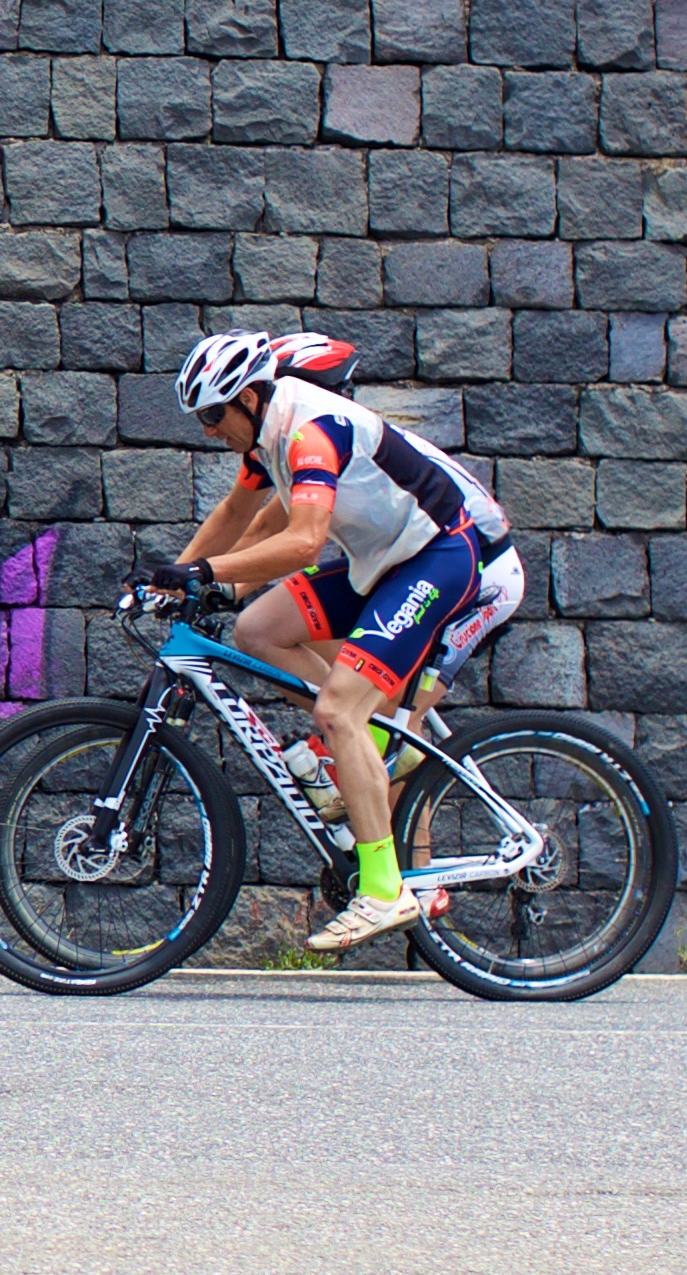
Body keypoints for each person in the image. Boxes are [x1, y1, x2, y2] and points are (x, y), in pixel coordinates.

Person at [142, 329, 508, 953]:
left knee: (340, 708)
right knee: (257, 628)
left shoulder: (312, 432)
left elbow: (305, 543)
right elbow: (235, 517)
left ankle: (385, 886)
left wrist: (205, 574)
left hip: (441, 556)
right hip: (385, 561)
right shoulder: (268, 438)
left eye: (213, 414)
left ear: (251, 399)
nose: (207, 430)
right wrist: (167, 582)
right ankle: (377, 738)